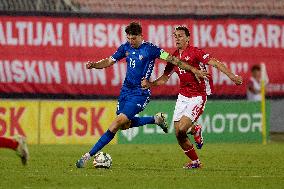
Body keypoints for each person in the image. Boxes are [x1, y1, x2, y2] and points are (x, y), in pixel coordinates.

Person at [76, 22, 208, 168]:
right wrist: (94, 64)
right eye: (129, 38)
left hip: (140, 93)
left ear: (141, 36)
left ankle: (87, 155)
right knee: (124, 125)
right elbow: (108, 61)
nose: (131, 42)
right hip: (125, 91)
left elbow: (174, 60)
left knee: (116, 123)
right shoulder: (125, 47)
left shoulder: (151, 49)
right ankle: (155, 119)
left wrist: (194, 70)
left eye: (134, 39)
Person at [141, 26, 243, 169]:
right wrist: (150, 84)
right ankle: (195, 161)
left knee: (183, 128)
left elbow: (215, 63)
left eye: (180, 36)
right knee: (177, 133)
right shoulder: (173, 57)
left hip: (198, 95)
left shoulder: (196, 52)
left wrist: (232, 76)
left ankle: (194, 129)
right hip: (183, 95)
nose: (177, 38)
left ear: (188, 38)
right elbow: (164, 78)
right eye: (175, 36)